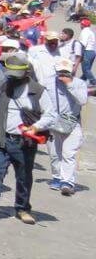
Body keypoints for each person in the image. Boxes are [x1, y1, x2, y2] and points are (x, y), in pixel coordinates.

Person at [0, 52, 56, 224]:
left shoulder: (37, 91)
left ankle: (22, 208)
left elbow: (51, 115)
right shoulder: (3, 86)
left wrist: (36, 127)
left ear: (26, 72)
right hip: (2, 138)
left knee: (23, 176)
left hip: (24, 142)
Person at [47, 58, 88, 196]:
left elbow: (82, 100)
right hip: (54, 122)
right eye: (61, 72)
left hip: (73, 122)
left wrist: (70, 85)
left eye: (66, 72)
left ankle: (67, 182)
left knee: (68, 153)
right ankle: (57, 177)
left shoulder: (79, 83)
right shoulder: (49, 82)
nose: (63, 75)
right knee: (54, 153)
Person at [78, 18, 96, 85]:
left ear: (83, 25)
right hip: (92, 52)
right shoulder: (90, 32)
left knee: (85, 69)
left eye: (81, 24)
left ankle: (93, 82)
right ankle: (81, 82)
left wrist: (80, 54)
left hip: (87, 52)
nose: (80, 25)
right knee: (87, 69)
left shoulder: (84, 32)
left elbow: (83, 44)